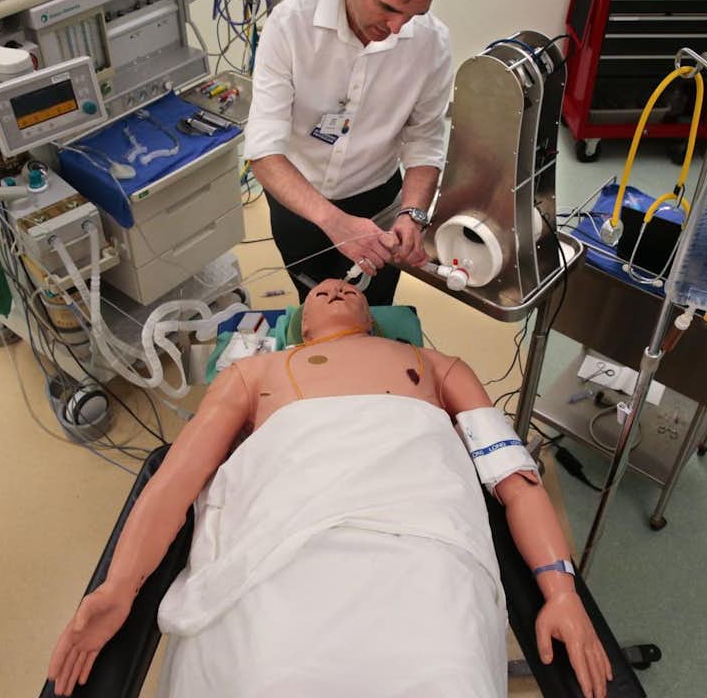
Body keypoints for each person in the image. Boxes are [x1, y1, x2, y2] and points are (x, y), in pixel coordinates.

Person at [47, 280, 612, 698]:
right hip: (282, 536)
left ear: (374, 317)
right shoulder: (254, 373)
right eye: (319, 291)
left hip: (422, 535)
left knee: (444, 674)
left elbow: (513, 474)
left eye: (349, 288)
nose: (336, 287)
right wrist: (120, 586)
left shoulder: (438, 365)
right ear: (300, 326)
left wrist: (560, 591)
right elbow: (178, 479)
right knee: (265, 674)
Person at [245, 0, 455, 306]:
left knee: (373, 307)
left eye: (414, 14)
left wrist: (412, 214)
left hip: (379, 200)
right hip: (300, 200)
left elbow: (425, 141)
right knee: (317, 304)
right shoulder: (290, 25)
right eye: (388, 8)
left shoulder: (431, 43)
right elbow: (263, 150)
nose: (396, 28)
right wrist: (333, 221)